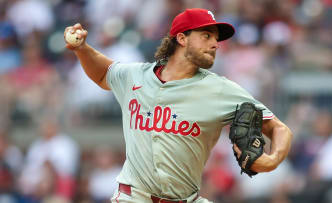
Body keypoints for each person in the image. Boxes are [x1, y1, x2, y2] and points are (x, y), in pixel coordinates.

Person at [64, 8, 293, 203]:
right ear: (182, 38)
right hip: (132, 197)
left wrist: (272, 160)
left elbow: (279, 129)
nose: (215, 44)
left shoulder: (221, 90)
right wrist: (82, 49)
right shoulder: (136, 76)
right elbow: (104, 72)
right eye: (206, 35)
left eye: (216, 39)